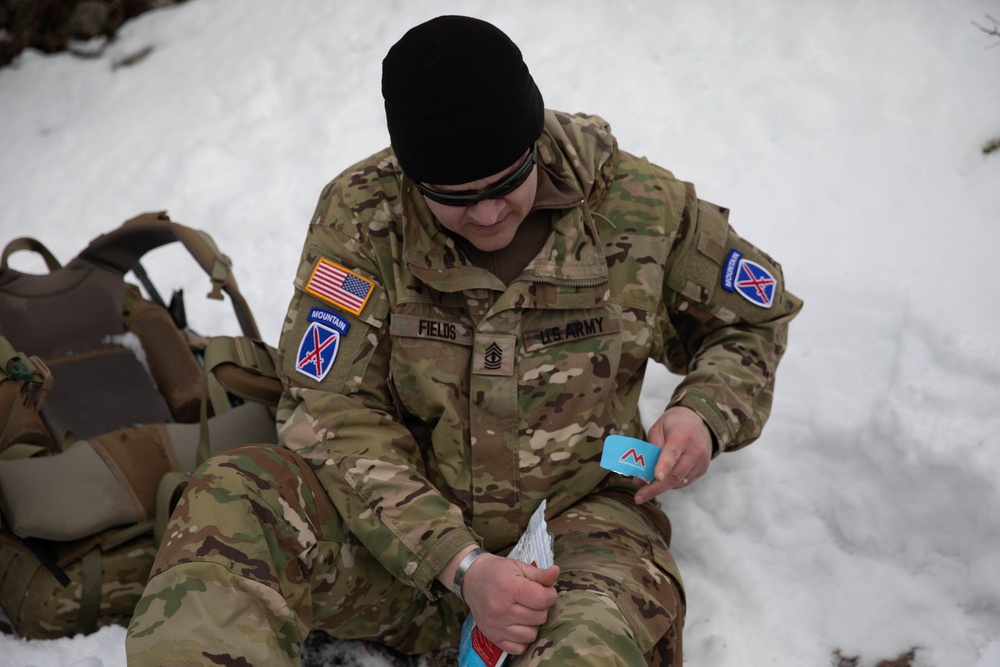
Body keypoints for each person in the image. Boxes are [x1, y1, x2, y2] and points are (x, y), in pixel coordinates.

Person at [126, 14, 802, 667]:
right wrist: (461, 562)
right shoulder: (364, 219)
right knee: (233, 498)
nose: (484, 213)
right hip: (395, 543)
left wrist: (704, 412)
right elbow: (330, 407)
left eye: (507, 183)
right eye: (453, 194)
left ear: (533, 139)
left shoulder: (638, 206)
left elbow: (753, 316)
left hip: (579, 538)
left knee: (594, 645)